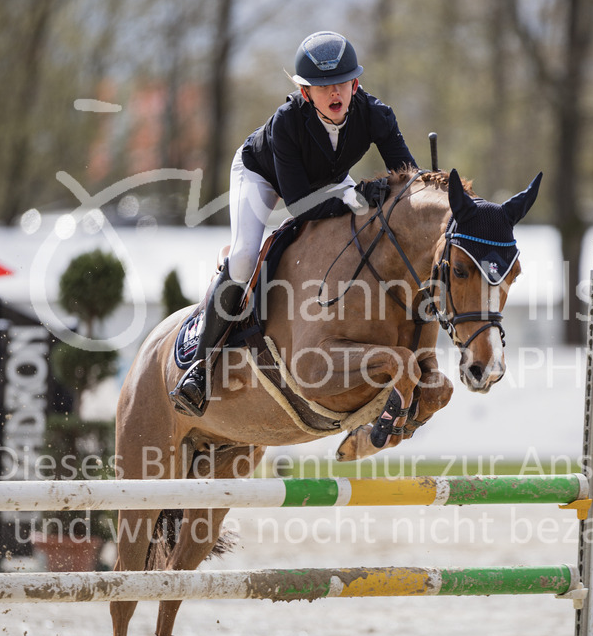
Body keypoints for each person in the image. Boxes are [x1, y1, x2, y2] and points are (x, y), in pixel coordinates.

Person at [170, 30, 418, 417]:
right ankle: (200, 367)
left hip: (329, 182)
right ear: (305, 93)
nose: (334, 94)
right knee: (244, 255)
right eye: (323, 87)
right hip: (264, 176)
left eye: (341, 84)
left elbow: (407, 180)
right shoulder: (287, 123)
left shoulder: (377, 115)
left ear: (355, 83)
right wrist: (355, 198)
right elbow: (300, 206)